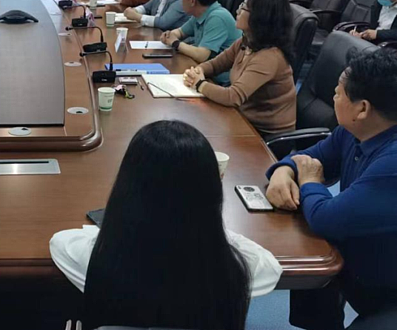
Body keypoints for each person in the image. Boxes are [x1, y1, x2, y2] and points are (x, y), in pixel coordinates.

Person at [50, 120, 273, 330]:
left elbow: (59, 240)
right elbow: (271, 266)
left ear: (127, 189)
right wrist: (207, 225)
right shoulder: (236, 267)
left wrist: (114, 225)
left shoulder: (94, 256)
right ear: (211, 194)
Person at [264, 49, 397, 330]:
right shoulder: (353, 131)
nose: (333, 97)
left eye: (338, 92)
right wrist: (282, 171)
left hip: (388, 289)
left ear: (362, 109)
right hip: (363, 260)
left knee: (317, 234)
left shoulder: (392, 162)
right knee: (312, 250)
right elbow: (308, 157)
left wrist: (309, 181)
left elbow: (327, 218)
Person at [183, 0, 297, 135]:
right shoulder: (246, 41)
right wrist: (198, 70)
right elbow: (216, 64)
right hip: (241, 118)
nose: (237, 11)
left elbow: (233, 97)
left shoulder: (269, 57)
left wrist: (199, 84)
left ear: (260, 17)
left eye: (243, 8)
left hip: (263, 134)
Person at [161, 0, 242, 85]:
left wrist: (176, 43)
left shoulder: (217, 17)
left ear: (192, 1)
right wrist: (169, 35)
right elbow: (181, 32)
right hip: (203, 72)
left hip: (220, 82)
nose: (181, 1)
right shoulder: (200, 13)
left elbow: (202, 55)